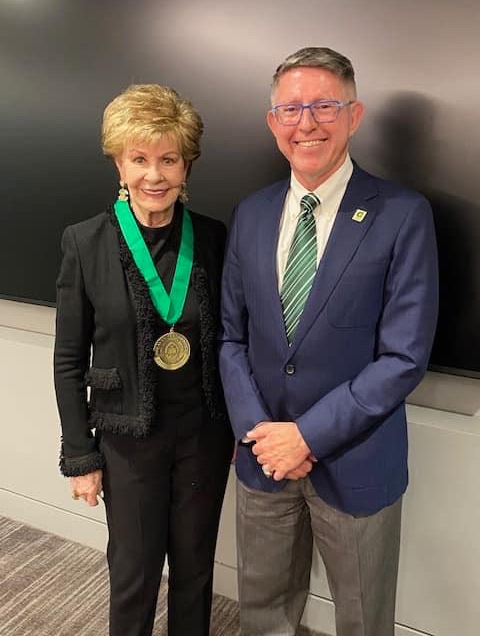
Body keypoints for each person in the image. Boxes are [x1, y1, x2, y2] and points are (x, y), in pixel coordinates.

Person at [219, 47, 438, 636]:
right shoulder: (252, 213)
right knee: (263, 612)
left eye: (323, 105)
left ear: (355, 114)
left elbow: (404, 356)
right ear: (272, 123)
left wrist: (307, 436)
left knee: (365, 619)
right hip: (262, 456)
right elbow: (230, 337)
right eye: (290, 109)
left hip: (355, 458)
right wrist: (263, 436)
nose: (306, 123)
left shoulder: (402, 214)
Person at [54, 84, 233, 636]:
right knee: (133, 571)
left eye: (168, 159)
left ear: (186, 165)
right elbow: (67, 358)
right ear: (119, 162)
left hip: (202, 436)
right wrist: (81, 456)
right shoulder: (85, 242)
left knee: (196, 567)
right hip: (126, 439)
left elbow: (230, 340)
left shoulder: (212, 238)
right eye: (140, 159)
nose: (154, 175)